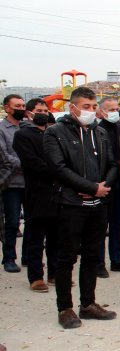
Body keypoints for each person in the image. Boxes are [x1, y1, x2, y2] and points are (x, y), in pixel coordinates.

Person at [44, 87, 119, 328]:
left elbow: (112, 164)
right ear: (72, 107)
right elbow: (58, 167)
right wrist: (88, 186)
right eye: (85, 107)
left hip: (98, 204)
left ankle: (87, 304)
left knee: (92, 255)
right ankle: (64, 308)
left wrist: (101, 187)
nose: (90, 111)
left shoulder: (100, 133)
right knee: (66, 258)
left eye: (92, 106)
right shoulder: (55, 133)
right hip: (70, 204)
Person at [13, 98, 57, 292]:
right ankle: (36, 277)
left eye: (45, 110)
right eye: (39, 110)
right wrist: (58, 171)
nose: (43, 113)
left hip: (56, 192)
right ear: (29, 113)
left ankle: (55, 273)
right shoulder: (23, 135)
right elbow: (32, 162)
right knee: (35, 238)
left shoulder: (53, 134)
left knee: (55, 237)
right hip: (36, 192)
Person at [94, 97, 120, 278]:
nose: (115, 112)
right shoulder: (96, 131)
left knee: (116, 224)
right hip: (103, 183)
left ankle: (116, 260)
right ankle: (99, 263)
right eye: (111, 109)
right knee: (101, 226)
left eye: (117, 108)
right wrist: (116, 165)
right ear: (101, 111)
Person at [0, 94, 26, 273]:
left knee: (33, 221)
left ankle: (28, 257)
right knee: (12, 222)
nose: (21, 109)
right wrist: (29, 163)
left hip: (30, 183)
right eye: (17, 106)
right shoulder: (1, 129)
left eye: (23, 105)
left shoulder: (28, 127)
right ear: (7, 108)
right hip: (11, 183)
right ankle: (9, 257)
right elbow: (4, 157)